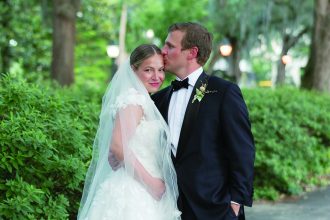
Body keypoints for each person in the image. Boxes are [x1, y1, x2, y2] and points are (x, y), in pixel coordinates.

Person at [152, 22, 255, 220]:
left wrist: (235, 203)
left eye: (170, 46)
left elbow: (242, 151)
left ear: (191, 52)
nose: (162, 51)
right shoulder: (158, 99)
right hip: (167, 207)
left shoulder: (224, 92)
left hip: (215, 208)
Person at [77, 44, 181, 220]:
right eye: (148, 70)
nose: (157, 77)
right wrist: (152, 184)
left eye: (161, 70)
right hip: (134, 189)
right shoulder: (133, 100)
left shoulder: (143, 99)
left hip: (142, 185)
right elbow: (118, 146)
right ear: (133, 70)